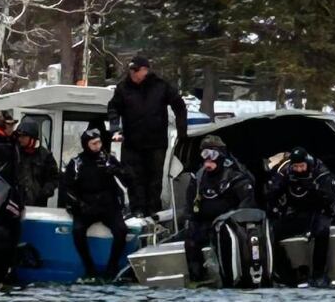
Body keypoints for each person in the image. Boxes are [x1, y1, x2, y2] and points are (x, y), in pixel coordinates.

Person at [107, 54, 188, 218]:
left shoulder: (161, 86)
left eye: (137, 70)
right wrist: (115, 128)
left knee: (154, 179)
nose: (134, 74)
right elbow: (113, 108)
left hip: (156, 142)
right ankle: (137, 209)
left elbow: (179, 105)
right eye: (132, 70)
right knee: (133, 178)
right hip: (132, 142)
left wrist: (182, 131)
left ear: (145, 70)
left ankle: (153, 210)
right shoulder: (123, 88)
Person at [183, 136, 256, 281]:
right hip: (203, 224)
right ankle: (197, 278)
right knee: (190, 240)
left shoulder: (235, 177)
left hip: (228, 225)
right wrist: (189, 220)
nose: (208, 160)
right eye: (205, 155)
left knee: (224, 239)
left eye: (212, 155)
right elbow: (189, 204)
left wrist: (229, 220)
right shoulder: (198, 178)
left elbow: (246, 203)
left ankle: (229, 276)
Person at [62, 127, 129, 281]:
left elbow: (127, 178)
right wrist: (78, 204)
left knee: (121, 230)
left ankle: (112, 268)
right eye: (94, 144)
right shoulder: (77, 163)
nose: (98, 146)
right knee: (78, 231)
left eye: (99, 142)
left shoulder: (108, 160)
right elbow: (68, 187)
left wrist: (116, 171)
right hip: (86, 205)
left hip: (108, 205)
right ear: (86, 145)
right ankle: (89, 268)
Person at [266, 147, 335, 285]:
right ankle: (284, 271)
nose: (299, 169)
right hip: (297, 211)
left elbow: (330, 199)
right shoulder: (286, 172)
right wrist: (276, 209)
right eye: (296, 166)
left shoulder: (320, 173)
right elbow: (272, 194)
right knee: (271, 231)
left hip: (320, 211)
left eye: (301, 166)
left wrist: (314, 188)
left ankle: (318, 274)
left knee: (322, 231)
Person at [15, 117, 59, 207]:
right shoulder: (15, 152)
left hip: (38, 205)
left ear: (32, 137)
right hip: (16, 204)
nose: (20, 139)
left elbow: (55, 178)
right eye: (19, 136)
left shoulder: (45, 155)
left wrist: (46, 191)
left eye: (23, 136)